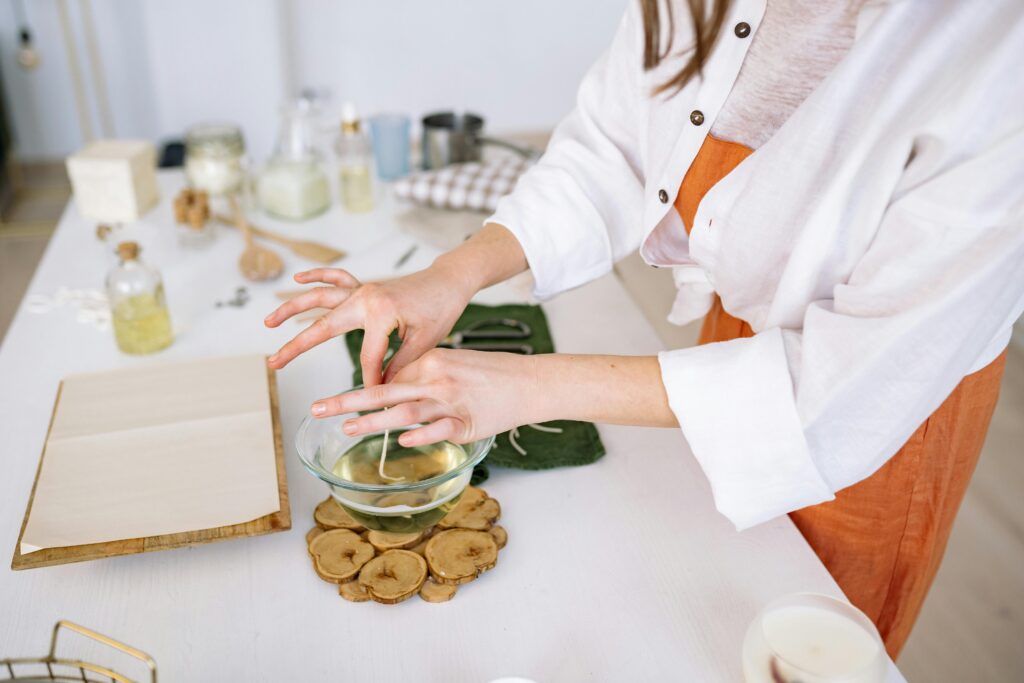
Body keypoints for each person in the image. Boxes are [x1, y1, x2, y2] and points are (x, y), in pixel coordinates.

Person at [265, 0, 1024, 657]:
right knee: (703, 609)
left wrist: (523, 385)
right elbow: (615, 151)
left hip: (879, 414)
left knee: (799, 637)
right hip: (737, 338)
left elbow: (837, 398)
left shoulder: (996, 53)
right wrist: (452, 275)